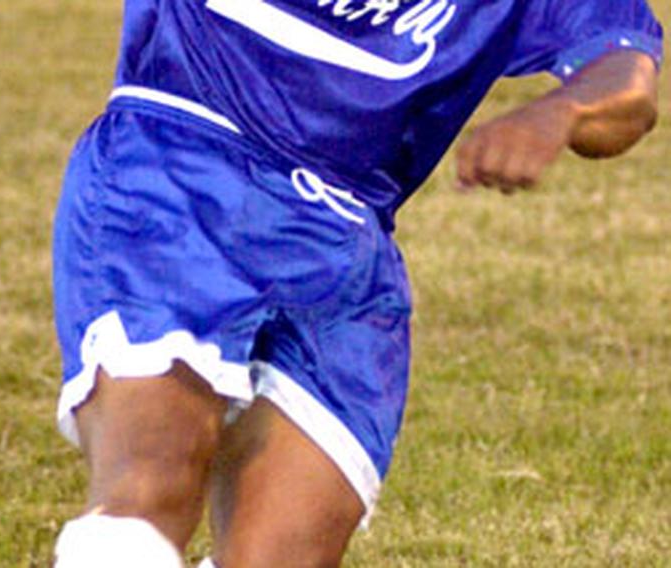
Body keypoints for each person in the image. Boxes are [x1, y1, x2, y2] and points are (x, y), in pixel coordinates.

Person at [51, 1, 662, 566]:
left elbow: (627, 76)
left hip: (349, 244)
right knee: (151, 484)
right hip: (176, 171)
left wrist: (564, 109)